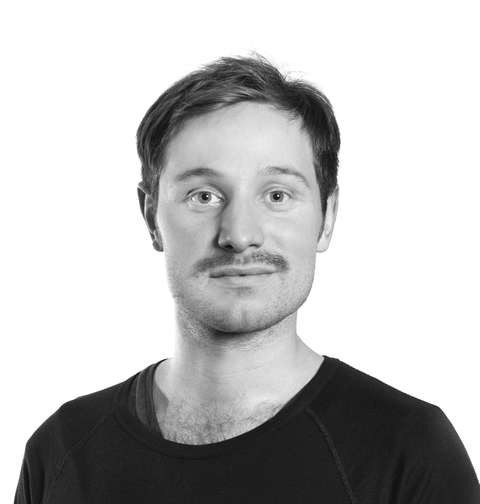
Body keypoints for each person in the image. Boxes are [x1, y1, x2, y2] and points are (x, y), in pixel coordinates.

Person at [14, 54, 480, 503]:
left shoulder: (407, 449)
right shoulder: (62, 450)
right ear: (151, 216)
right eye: (203, 195)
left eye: (277, 195)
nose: (239, 235)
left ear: (328, 217)